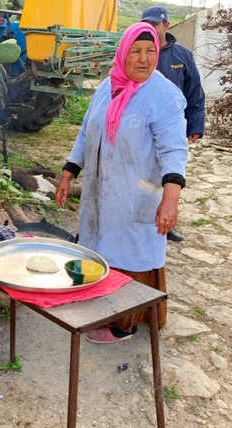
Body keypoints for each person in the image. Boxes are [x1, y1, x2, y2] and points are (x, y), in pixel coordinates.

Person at [55, 22, 188, 343]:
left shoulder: (165, 96)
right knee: (99, 245)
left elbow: (174, 150)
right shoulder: (107, 86)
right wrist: (68, 173)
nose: (144, 59)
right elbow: (87, 131)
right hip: (101, 190)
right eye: (136, 51)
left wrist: (171, 199)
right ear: (122, 53)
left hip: (136, 194)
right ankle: (97, 306)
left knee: (130, 254)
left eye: (151, 51)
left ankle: (123, 323)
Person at [142, 5, 206, 242]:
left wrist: (196, 125)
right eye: (146, 24)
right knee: (142, 172)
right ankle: (141, 217)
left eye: (155, 25)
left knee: (168, 171)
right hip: (142, 125)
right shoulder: (139, 52)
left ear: (166, 26)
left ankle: (166, 222)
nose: (150, 29)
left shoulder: (182, 56)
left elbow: (195, 92)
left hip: (171, 127)